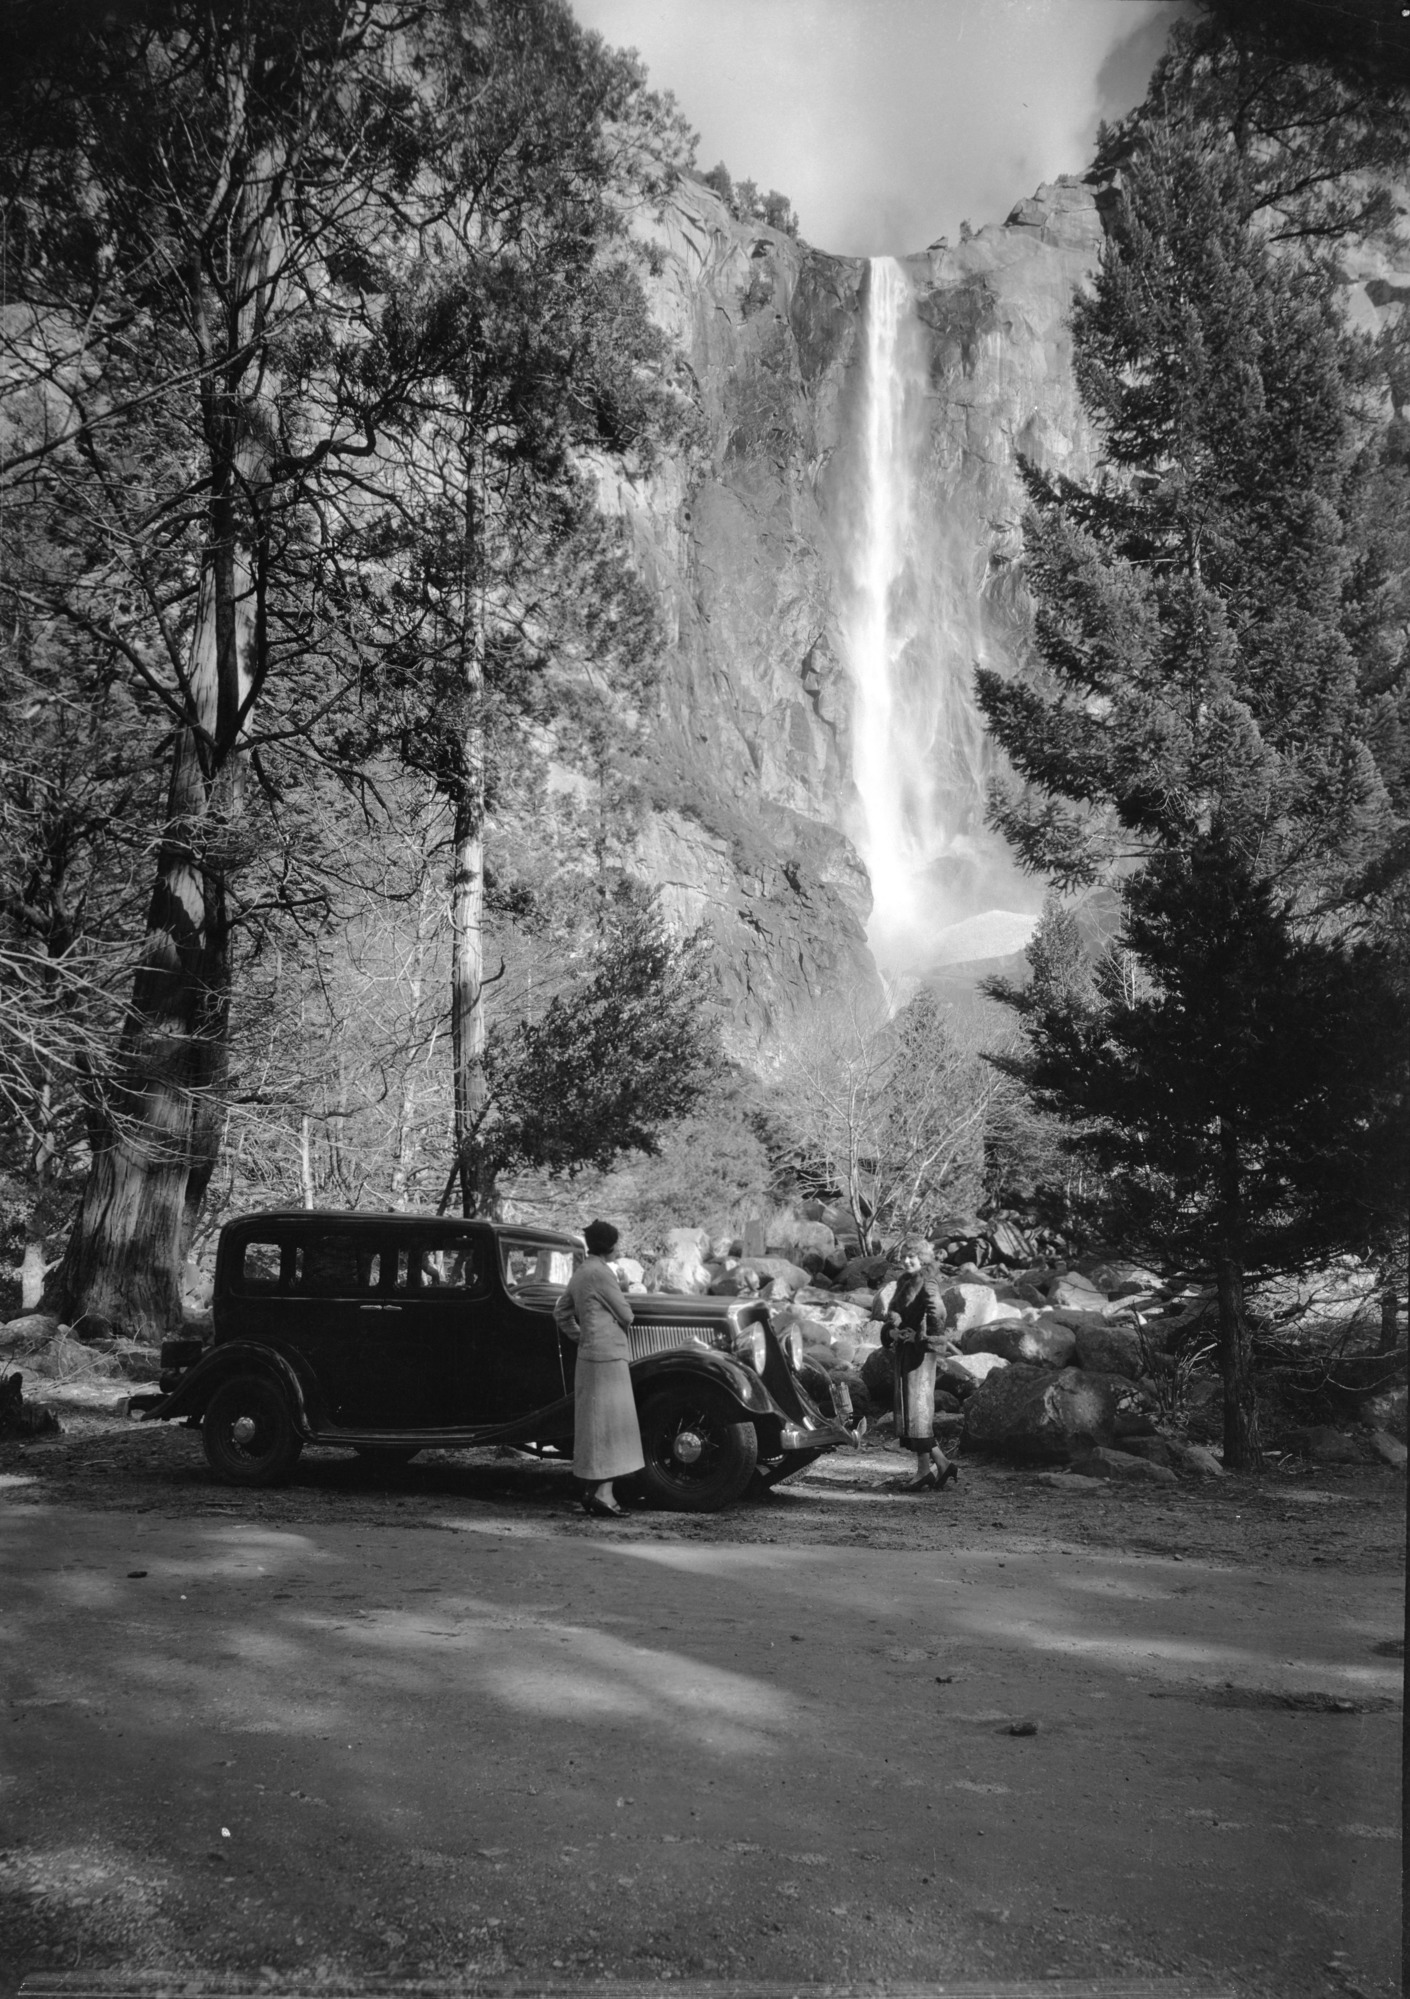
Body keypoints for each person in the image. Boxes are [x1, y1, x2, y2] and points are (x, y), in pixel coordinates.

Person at [554, 1219, 644, 1518]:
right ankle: (604, 1494)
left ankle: (594, 1490)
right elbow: (627, 1315)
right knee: (611, 1427)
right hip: (609, 1359)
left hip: (589, 1357)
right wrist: (622, 1284)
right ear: (611, 1245)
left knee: (594, 1426)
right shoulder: (602, 1274)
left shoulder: (581, 1272)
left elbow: (561, 1312)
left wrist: (583, 1337)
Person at [874, 1241, 959, 1492]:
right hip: (905, 1353)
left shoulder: (928, 1280)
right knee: (913, 1413)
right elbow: (894, 1314)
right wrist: (893, 1332)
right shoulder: (904, 1280)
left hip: (920, 1356)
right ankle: (932, 1468)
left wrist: (923, 1339)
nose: (907, 1260)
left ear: (922, 1258)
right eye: (904, 1256)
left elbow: (939, 1313)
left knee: (918, 1412)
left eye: (912, 1256)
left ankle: (935, 1467)